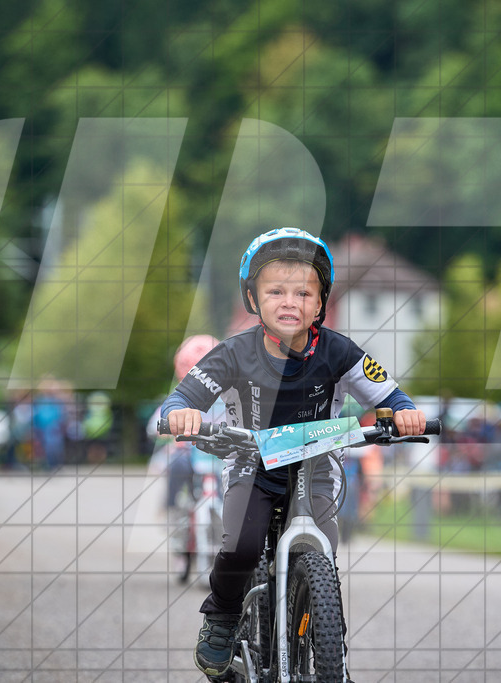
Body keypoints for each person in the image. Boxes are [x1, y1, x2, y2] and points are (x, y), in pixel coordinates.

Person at [161, 227, 427, 678]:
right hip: (252, 464)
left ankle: (329, 656)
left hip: (317, 467)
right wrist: (181, 413)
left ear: (321, 302)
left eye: (304, 292)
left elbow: (388, 392)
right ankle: (223, 616)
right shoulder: (232, 353)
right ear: (253, 299)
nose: (290, 301)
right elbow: (181, 399)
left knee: (323, 553)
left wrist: (403, 412)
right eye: (276, 291)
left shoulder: (340, 351)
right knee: (241, 546)